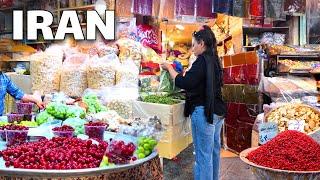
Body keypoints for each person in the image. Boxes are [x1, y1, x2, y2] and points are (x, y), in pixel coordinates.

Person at [161, 25, 226, 180]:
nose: (192, 48)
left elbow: (186, 82)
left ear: (201, 43)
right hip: (217, 111)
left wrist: (170, 68)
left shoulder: (202, 61)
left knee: (203, 156)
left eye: (194, 44)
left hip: (204, 112)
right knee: (213, 152)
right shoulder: (215, 59)